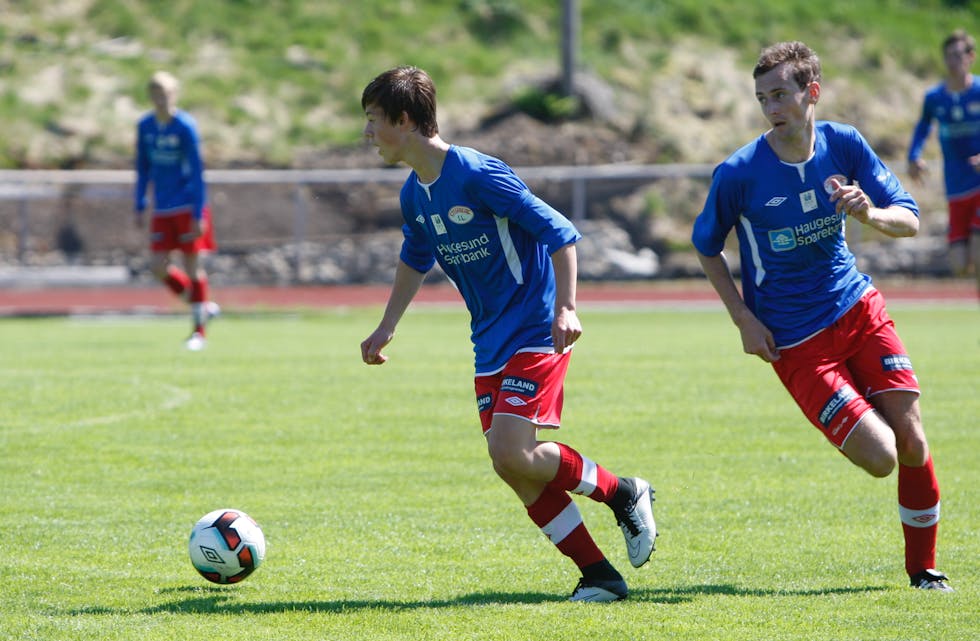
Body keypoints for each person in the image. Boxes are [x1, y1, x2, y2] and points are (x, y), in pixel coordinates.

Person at [358, 66, 656, 602]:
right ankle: (600, 576)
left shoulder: (477, 174)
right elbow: (414, 258)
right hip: (489, 341)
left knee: (512, 450)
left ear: (404, 121)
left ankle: (623, 492)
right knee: (512, 467)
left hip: (535, 327)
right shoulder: (414, 195)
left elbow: (560, 233)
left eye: (374, 121)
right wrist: (386, 326)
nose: (367, 134)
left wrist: (566, 308)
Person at [692, 42, 952, 591]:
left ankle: (925, 572)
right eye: (763, 98)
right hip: (796, 341)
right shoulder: (739, 172)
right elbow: (707, 246)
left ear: (812, 93)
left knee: (913, 440)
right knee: (881, 458)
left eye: (781, 94)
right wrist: (742, 318)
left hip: (858, 309)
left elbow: (908, 219)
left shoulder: (844, 143)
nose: (771, 107)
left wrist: (871, 212)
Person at [134, 70, 219, 351]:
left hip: (187, 206)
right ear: (151, 96)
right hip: (162, 208)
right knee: (158, 267)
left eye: (167, 93)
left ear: (175, 95)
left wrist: (198, 213)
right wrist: (140, 202)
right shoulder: (145, 126)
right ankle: (201, 305)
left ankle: (199, 332)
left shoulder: (185, 126)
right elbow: (142, 166)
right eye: (157, 93)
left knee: (193, 268)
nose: (162, 99)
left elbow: (197, 171)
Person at [907, 29, 980, 298]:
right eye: (948, 55)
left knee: (978, 254)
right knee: (960, 265)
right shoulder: (935, 98)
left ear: (970, 57)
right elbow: (922, 128)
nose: (953, 61)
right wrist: (914, 156)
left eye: (958, 54)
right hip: (955, 188)